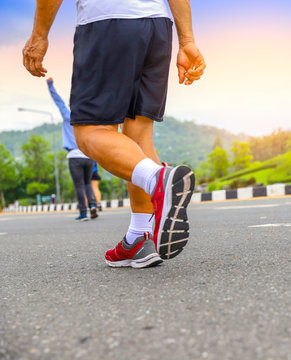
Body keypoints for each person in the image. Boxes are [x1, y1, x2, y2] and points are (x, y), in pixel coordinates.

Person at [23, 0, 205, 268]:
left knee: (89, 132)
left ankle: (159, 181)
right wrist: (187, 40)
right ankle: (140, 237)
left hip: (106, 22)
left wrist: (38, 36)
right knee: (139, 137)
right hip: (158, 27)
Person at [47, 77, 98, 221]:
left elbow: (58, 101)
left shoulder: (68, 115)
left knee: (79, 185)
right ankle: (93, 205)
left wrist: (50, 85)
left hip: (74, 156)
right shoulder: (88, 118)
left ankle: (83, 213)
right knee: (88, 183)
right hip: (88, 156)